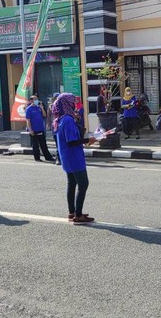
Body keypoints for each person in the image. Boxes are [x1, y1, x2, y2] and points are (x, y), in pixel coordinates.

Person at [53, 93, 97, 224]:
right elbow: (72, 141)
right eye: (72, 102)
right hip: (74, 157)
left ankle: (72, 212)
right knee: (83, 184)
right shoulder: (67, 120)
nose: (74, 105)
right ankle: (78, 215)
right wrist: (88, 140)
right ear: (67, 104)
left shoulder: (61, 119)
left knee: (71, 184)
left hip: (67, 156)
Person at [26, 94, 55, 162]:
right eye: (35, 99)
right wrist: (30, 129)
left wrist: (42, 108)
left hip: (40, 129)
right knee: (35, 145)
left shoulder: (38, 108)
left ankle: (48, 157)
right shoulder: (29, 109)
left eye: (37, 99)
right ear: (31, 101)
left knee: (43, 144)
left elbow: (44, 115)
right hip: (33, 130)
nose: (36, 100)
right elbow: (28, 120)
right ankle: (37, 158)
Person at [48, 93, 61, 165]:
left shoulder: (63, 106)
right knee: (57, 144)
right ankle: (58, 158)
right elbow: (49, 116)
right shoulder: (51, 106)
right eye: (56, 98)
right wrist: (48, 124)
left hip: (62, 126)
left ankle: (62, 158)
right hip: (55, 127)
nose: (57, 99)